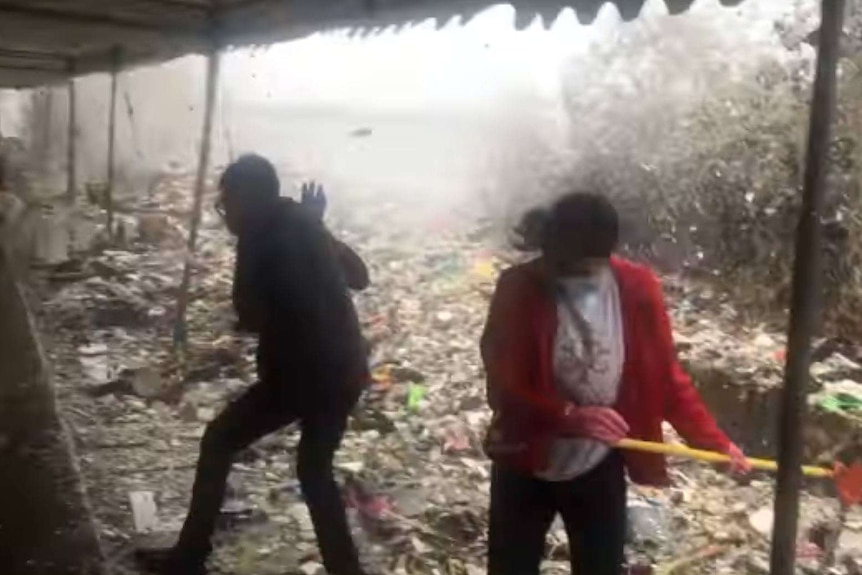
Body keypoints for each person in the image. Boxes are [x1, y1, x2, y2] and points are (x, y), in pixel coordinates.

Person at [480, 192, 751, 575]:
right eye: (566, 267)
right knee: (510, 566)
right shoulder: (518, 287)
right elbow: (503, 382)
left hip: (599, 462)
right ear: (549, 247)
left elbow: (666, 377)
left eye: (589, 269)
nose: (579, 279)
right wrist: (567, 417)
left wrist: (715, 443)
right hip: (523, 456)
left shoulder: (638, 288)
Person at [143, 154, 370, 575]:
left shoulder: (260, 235)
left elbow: (248, 314)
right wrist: (318, 228)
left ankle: (188, 559)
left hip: (303, 376)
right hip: (344, 370)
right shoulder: (300, 220)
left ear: (250, 199)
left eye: (228, 202)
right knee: (314, 470)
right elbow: (360, 276)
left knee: (218, 441)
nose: (225, 212)